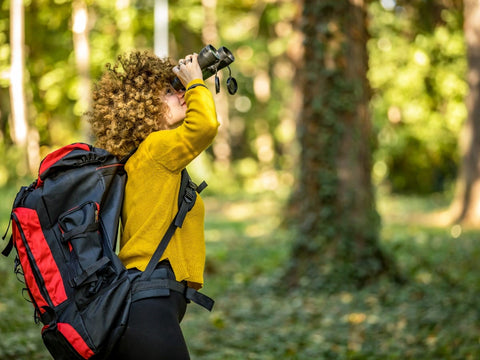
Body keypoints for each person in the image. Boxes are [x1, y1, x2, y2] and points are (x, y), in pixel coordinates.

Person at [87, 50, 219, 360]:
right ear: (143, 108)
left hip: (146, 302)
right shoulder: (155, 149)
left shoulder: (147, 158)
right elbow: (206, 126)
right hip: (149, 303)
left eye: (179, 89)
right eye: (169, 92)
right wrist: (197, 83)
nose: (180, 95)